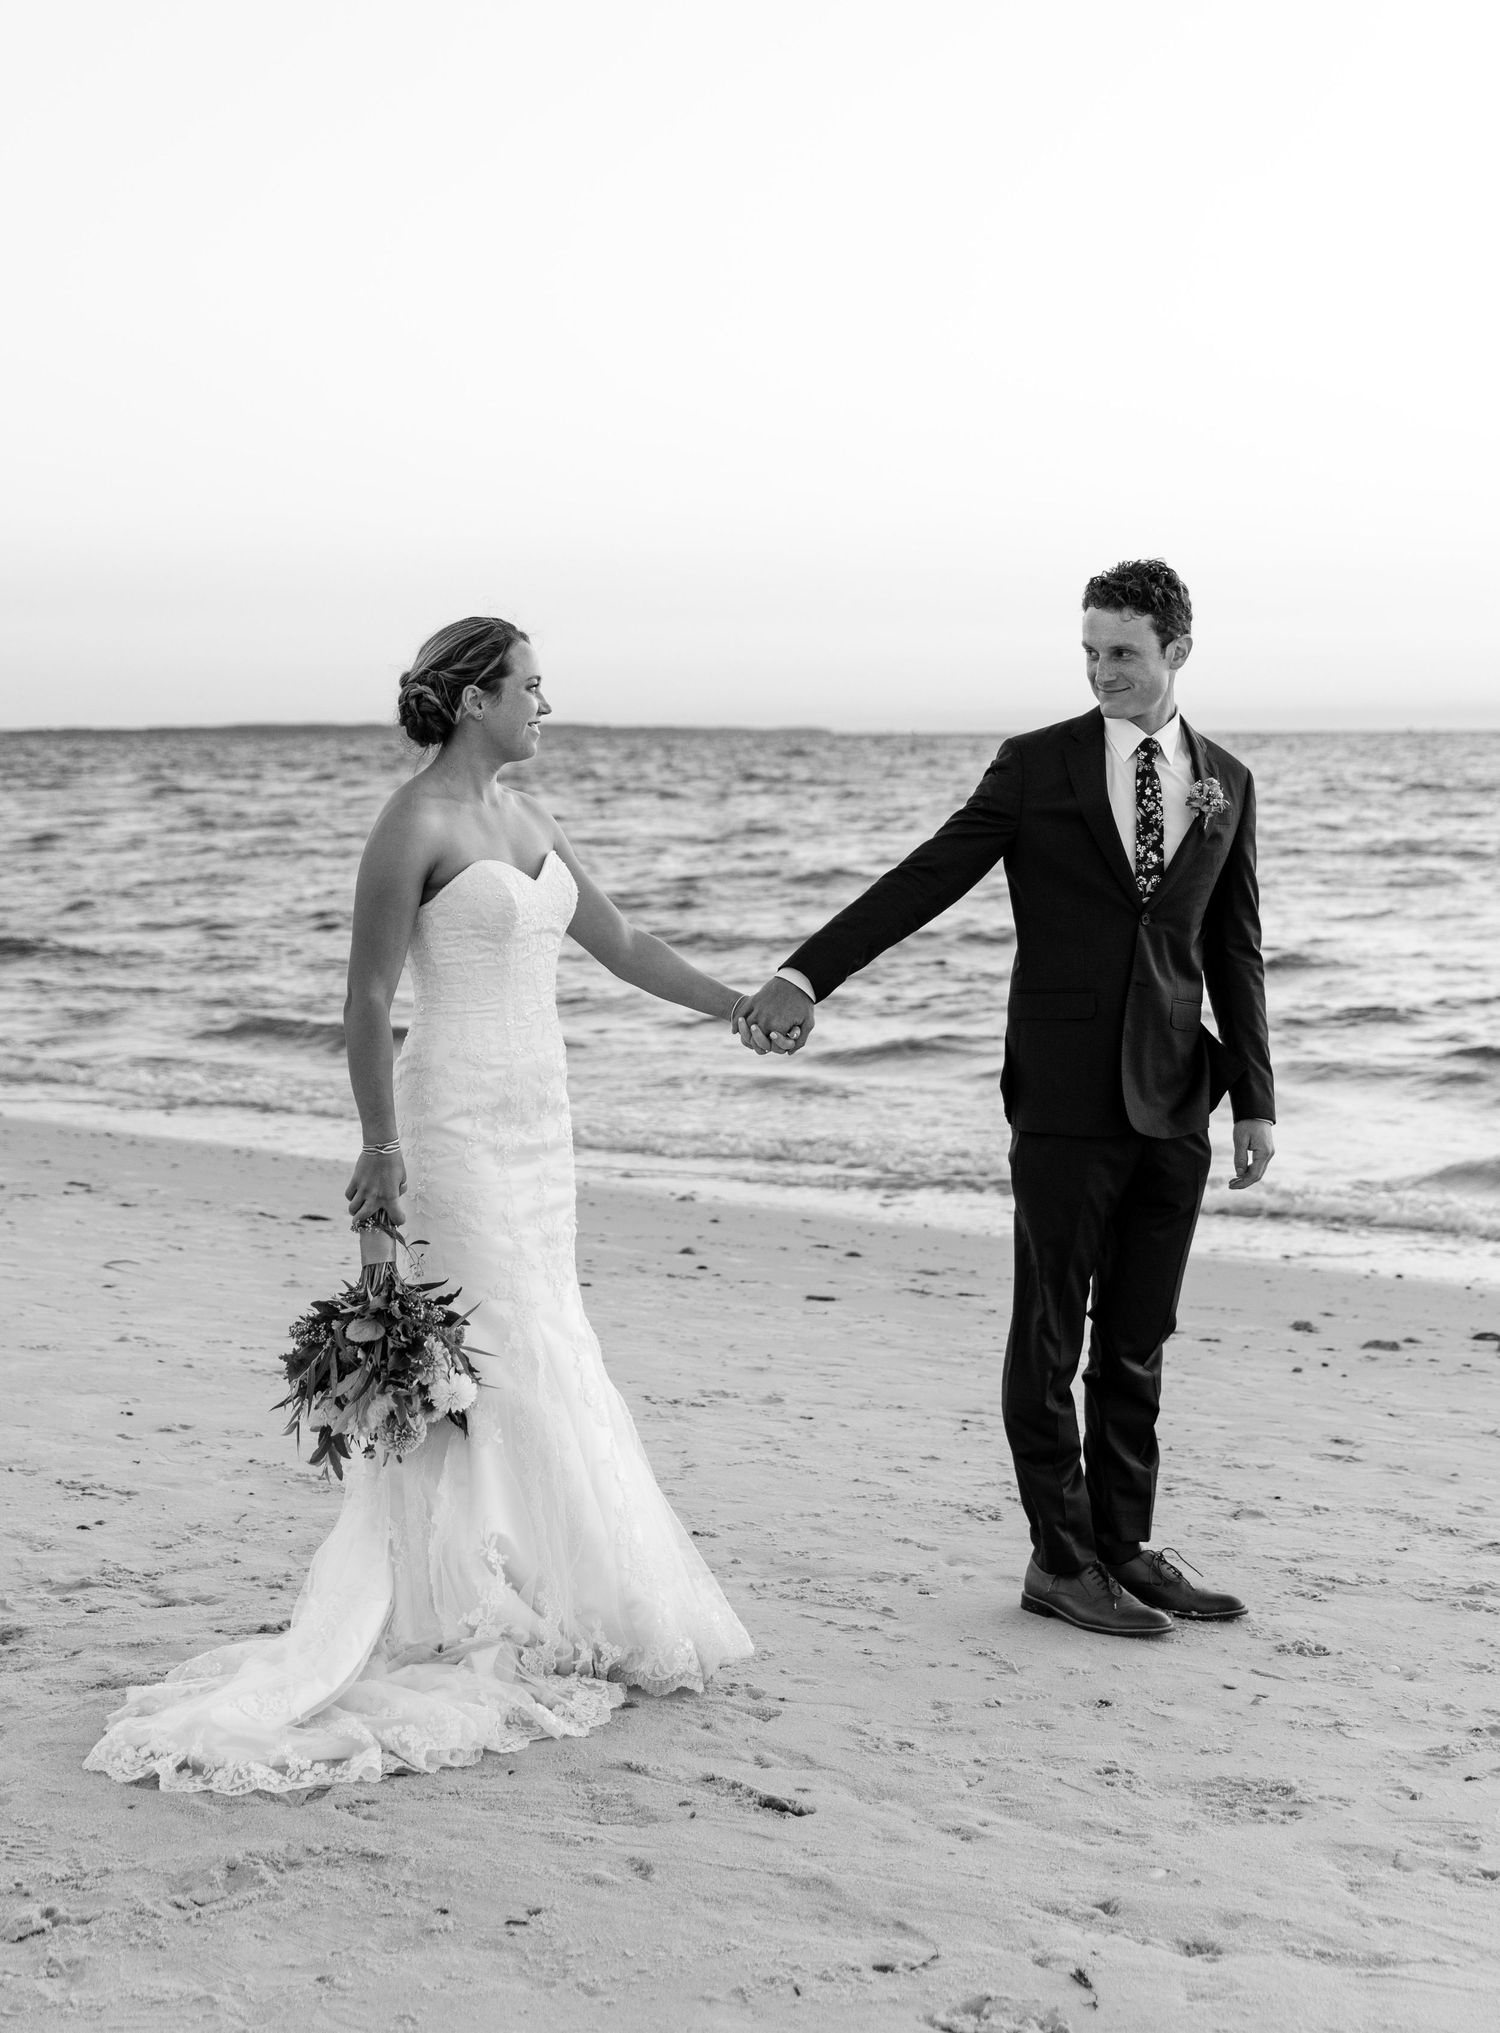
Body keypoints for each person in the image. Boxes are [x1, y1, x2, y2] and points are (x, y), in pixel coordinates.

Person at [87, 616, 753, 1794]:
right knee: (495, 1346)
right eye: (531, 686)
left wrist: (743, 1005)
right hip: (450, 1124)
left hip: (541, 1125)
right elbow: (368, 992)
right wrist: (381, 1141)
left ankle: (548, 1590)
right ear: (472, 698)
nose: (547, 703)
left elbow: (628, 941)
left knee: (548, 1335)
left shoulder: (531, 819)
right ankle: (464, 1604)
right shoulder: (414, 822)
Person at [735, 560, 1275, 1638]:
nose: (1101, 670)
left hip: (1177, 1097)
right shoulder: (1038, 767)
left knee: (1138, 1336)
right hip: (1065, 1093)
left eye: (1122, 652)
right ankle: (1058, 1558)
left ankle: (1123, 1544)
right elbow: (928, 874)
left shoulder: (1228, 780)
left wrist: (1255, 1095)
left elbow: (1233, 945)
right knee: (1049, 1335)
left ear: (1177, 651)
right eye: (1089, 651)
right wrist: (805, 973)